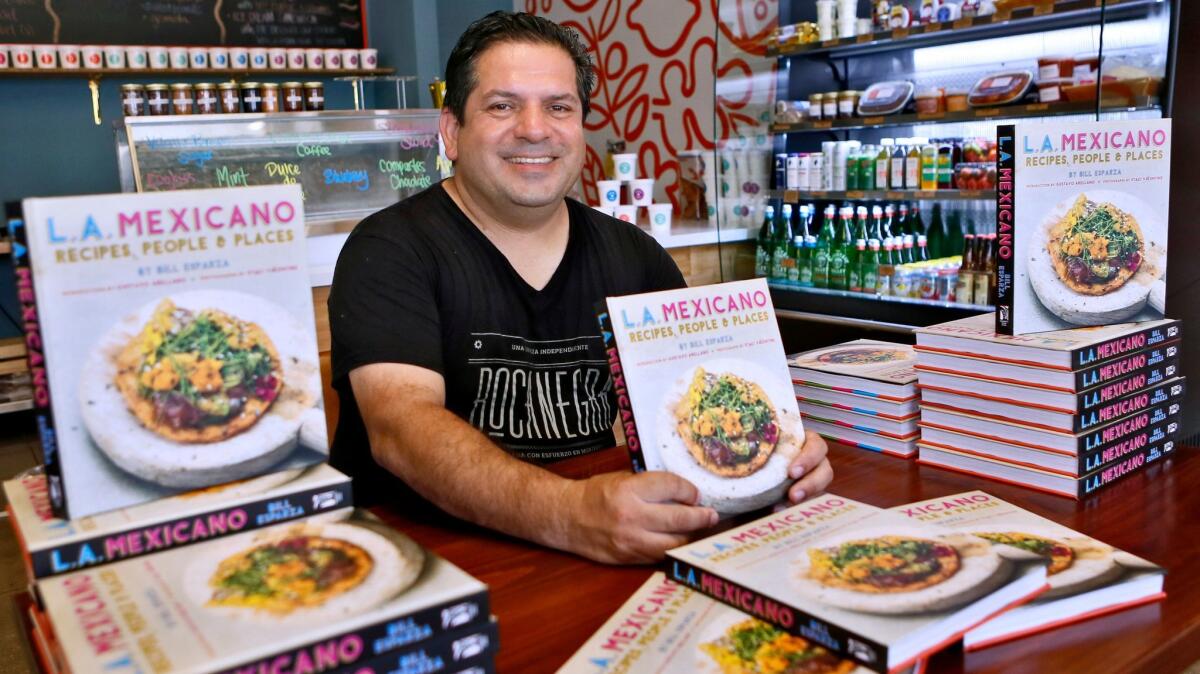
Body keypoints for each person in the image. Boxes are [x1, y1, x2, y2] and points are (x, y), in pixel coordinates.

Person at [328, 11, 833, 564]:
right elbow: (402, 429)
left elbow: (713, 396)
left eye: (559, 107)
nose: (535, 128)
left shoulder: (635, 257)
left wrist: (781, 462)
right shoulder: (390, 250)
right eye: (502, 106)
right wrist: (569, 514)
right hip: (426, 566)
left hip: (595, 552)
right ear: (451, 131)